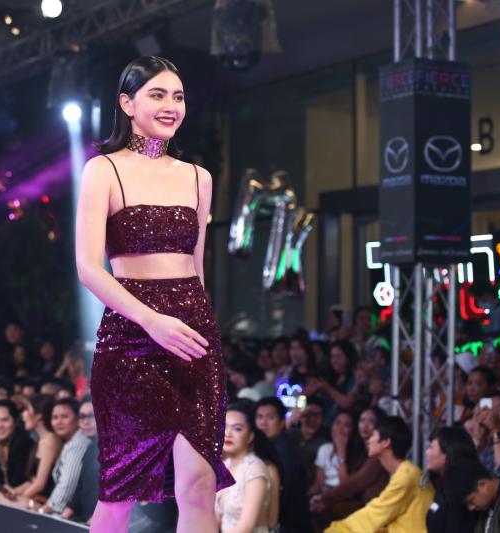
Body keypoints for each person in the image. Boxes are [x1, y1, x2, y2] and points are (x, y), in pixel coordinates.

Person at [75, 55, 234, 532]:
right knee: (120, 491)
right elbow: (88, 268)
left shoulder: (198, 178)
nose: (171, 106)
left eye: (178, 96)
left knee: (199, 486)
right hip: (131, 341)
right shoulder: (102, 170)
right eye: (158, 95)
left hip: (193, 339)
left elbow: (196, 269)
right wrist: (151, 320)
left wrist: (202, 333)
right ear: (127, 104)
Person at [325, 416, 433, 533]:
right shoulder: (408, 471)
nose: (369, 440)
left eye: (373, 435)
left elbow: (375, 513)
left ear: (386, 442)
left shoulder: (406, 477)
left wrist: (336, 530)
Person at [312, 407, 389, 524]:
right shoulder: (359, 451)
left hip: (371, 512)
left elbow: (354, 484)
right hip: (357, 505)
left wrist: (325, 498)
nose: (365, 425)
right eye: (362, 421)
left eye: (371, 421)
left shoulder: (377, 456)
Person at [216, 401, 280, 532]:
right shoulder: (225, 465)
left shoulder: (255, 468)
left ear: (250, 436)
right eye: (224, 427)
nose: (228, 433)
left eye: (237, 428)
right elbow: (217, 517)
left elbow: (246, 527)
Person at [254, 397, 311, 533]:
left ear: (282, 423)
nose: (263, 423)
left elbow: (285, 497)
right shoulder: (266, 447)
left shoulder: (283, 452)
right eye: (259, 417)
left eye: (270, 418)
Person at [0, 394, 61, 505]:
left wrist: (19, 498)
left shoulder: (50, 441)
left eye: (27, 410)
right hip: (34, 497)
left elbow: (40, 484)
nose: (23, 415)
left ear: (38, 416)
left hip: (45, 502)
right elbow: (32, 480)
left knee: (2, 500)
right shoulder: (40, 440)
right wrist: (15, 492)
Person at [424, 426, 481, 533]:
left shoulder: (462, 491)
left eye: (431, 447)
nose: (427, 452)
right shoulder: (442, 486)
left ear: (448, 453)